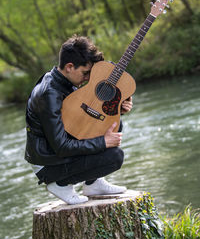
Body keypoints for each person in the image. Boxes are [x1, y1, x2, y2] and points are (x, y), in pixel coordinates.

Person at [25, 35, 133, 205]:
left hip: (60, 151)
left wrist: (118, 110)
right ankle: (60, 184)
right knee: (114, 156)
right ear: (69, 67)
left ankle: (93, 183)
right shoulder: (49, 94)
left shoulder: (66, 81)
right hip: (49, 163)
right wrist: (103, 142)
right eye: (85, 73)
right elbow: (61, 146)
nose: (88, 78)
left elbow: (80, 122)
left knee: (114, 124)